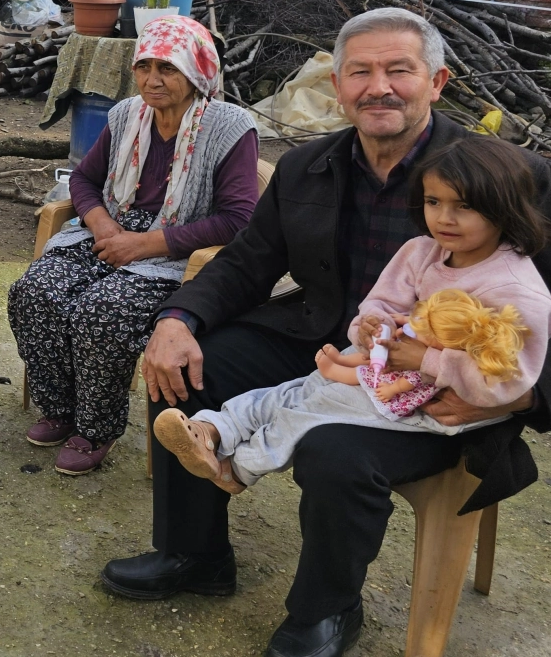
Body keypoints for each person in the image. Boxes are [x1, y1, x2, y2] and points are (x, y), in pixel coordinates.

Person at [103, 8, 551, 657]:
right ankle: (192, 555)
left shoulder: (512, 177)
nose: (379, 87)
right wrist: (177, 319)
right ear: (336, 86)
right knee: (194, 365)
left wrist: (520, 401)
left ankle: (324, 609)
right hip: (328, 340)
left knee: (333, 452)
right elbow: (248, 261)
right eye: (360, 72)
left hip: (442, 378)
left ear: (436, 81)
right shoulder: (307, 165)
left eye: (399, 70)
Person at [155, 135, 550, 495]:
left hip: (441, 399)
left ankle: (237, 468)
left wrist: (426, 360)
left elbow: (506, 380)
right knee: (298, 390)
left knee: (314, 411)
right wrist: (370, 326)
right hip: (392, 365)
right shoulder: (422, 250)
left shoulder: (514, 289)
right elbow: (383, 302)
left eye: (464, 206)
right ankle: (213, 430)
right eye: (434, 202)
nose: (444, 218)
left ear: (502, 209)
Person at [6, 15, 259, 474]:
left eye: (167, 69)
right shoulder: (126, 114)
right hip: (110, 230)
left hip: (177, 252)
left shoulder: (229, 126)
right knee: (35, 291)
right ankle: (59, 408)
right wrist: (102, 225)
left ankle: (95, 429)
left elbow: (238, 219)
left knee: (104, 309)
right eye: (144, 67)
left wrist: (144, 246)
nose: (151, 80)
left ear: (197, 72)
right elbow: (84, 178)